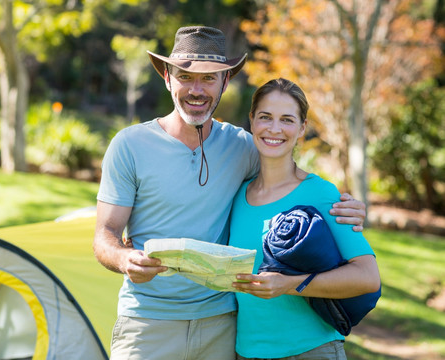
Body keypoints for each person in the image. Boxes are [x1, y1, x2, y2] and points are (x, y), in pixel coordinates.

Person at [93, 26, 366, 360]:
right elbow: (104, 234)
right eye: (185, 76)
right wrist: (124, 259)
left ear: (225, 82)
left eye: (209, 78)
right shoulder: (129, 145)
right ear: (167, 77)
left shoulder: (243, 147)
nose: (197, 89)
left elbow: (288, 171)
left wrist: (345, 205)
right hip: (148, 323)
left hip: (221, 324)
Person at [230, 78, 381, 360]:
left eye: (287, 120)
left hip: (310, 351)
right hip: (245, 352)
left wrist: (289, 284)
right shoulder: (237, 195)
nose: (274, 129)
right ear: (252, 121)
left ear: (302, 129)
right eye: (265, 117)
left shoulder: (320, 193)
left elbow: (367, 277)